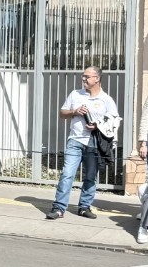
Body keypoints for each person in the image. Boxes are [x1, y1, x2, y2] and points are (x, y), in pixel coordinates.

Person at [46, 66, 120, 220]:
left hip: (94, 142)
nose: (83, 79)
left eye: (87, 76)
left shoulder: (106, 99)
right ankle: (59, 207)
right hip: (75, 140)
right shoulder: (75, 94)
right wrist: (74, 112)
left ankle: (84, 207)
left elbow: (114, 120)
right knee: (67, 174)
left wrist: (97, 126)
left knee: (91, 176)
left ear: (97, 79)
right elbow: (62, 113)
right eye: (83, 76)